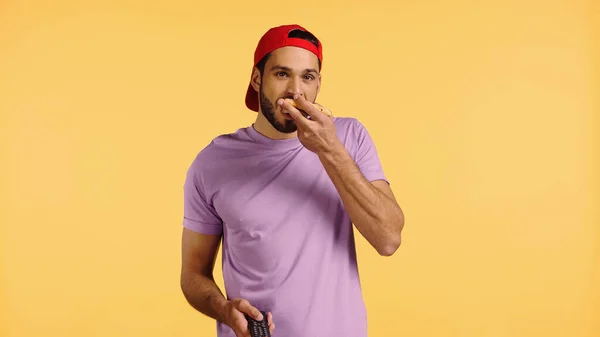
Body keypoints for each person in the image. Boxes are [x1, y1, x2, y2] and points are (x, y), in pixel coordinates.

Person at [179, 24, 405, 337]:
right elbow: (192, 275)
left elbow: (389, 238)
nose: (295, 91)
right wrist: (223, 309)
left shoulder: (349, 138)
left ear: (318, 84)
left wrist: (329, 149)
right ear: (258, 79)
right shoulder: (213, 162)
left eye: (307, 77)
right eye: (282, 74)